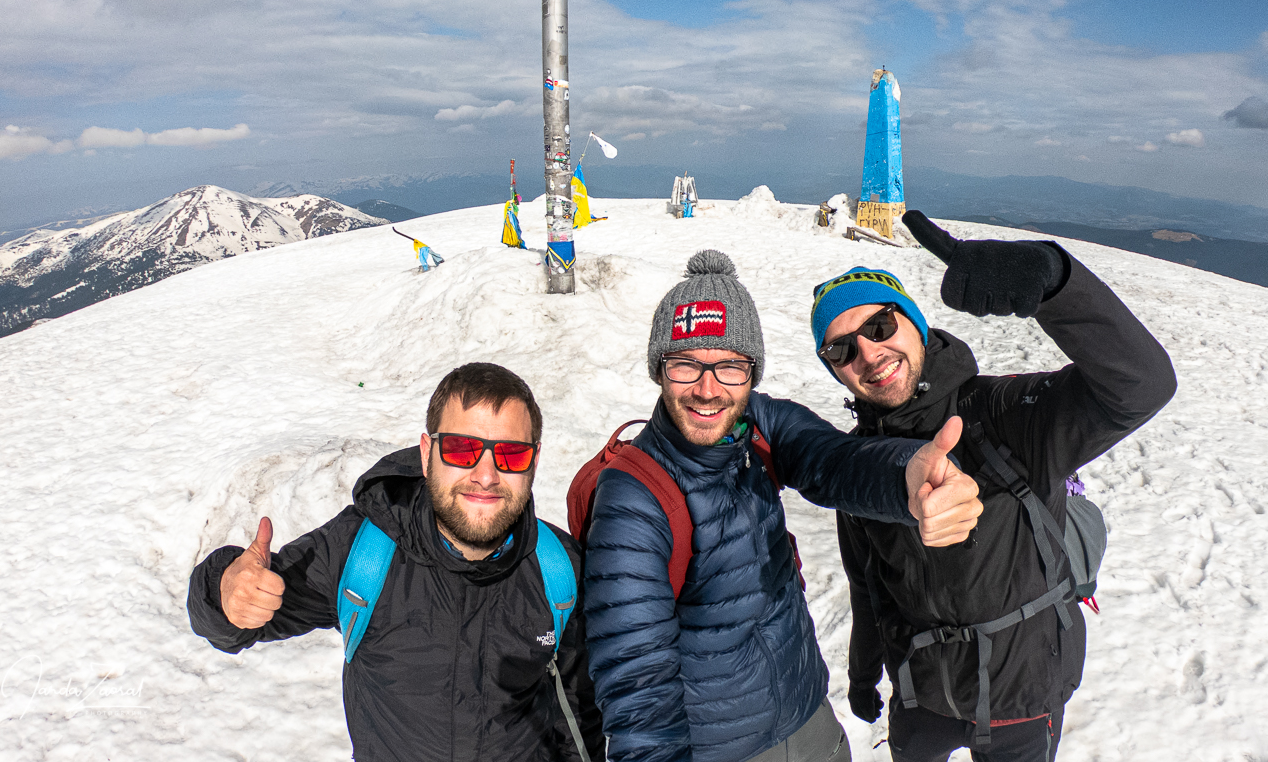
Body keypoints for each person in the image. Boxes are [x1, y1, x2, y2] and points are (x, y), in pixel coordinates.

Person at [580, 250, 983, 762]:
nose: (708, 390)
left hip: (808, 714)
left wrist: (906, 477)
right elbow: (637, 683)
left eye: (730, 366)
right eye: (686, 366)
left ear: (752, 374)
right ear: (659, 372)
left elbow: (834, 461)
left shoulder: (760, 425)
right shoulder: (634, 497)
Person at [811, 212, 1177, 762]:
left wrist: (1056, 281)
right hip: (921, 695)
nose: (868, 354)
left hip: (1023, 692)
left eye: (880, 327)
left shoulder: (1001, 415)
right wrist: (864, 676)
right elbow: (868, 585)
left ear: (915, 323)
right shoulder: (861, 462)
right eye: (840, 350)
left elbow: (1142, 384)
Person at [187, 362, 604, 762]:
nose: (486, 474)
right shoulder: (363, 552)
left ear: (534, 460)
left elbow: (578, 713)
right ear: (427, 454)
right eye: (462, 449)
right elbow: (237, 622)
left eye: (511, 455)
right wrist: (224, 591)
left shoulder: (558, 570)